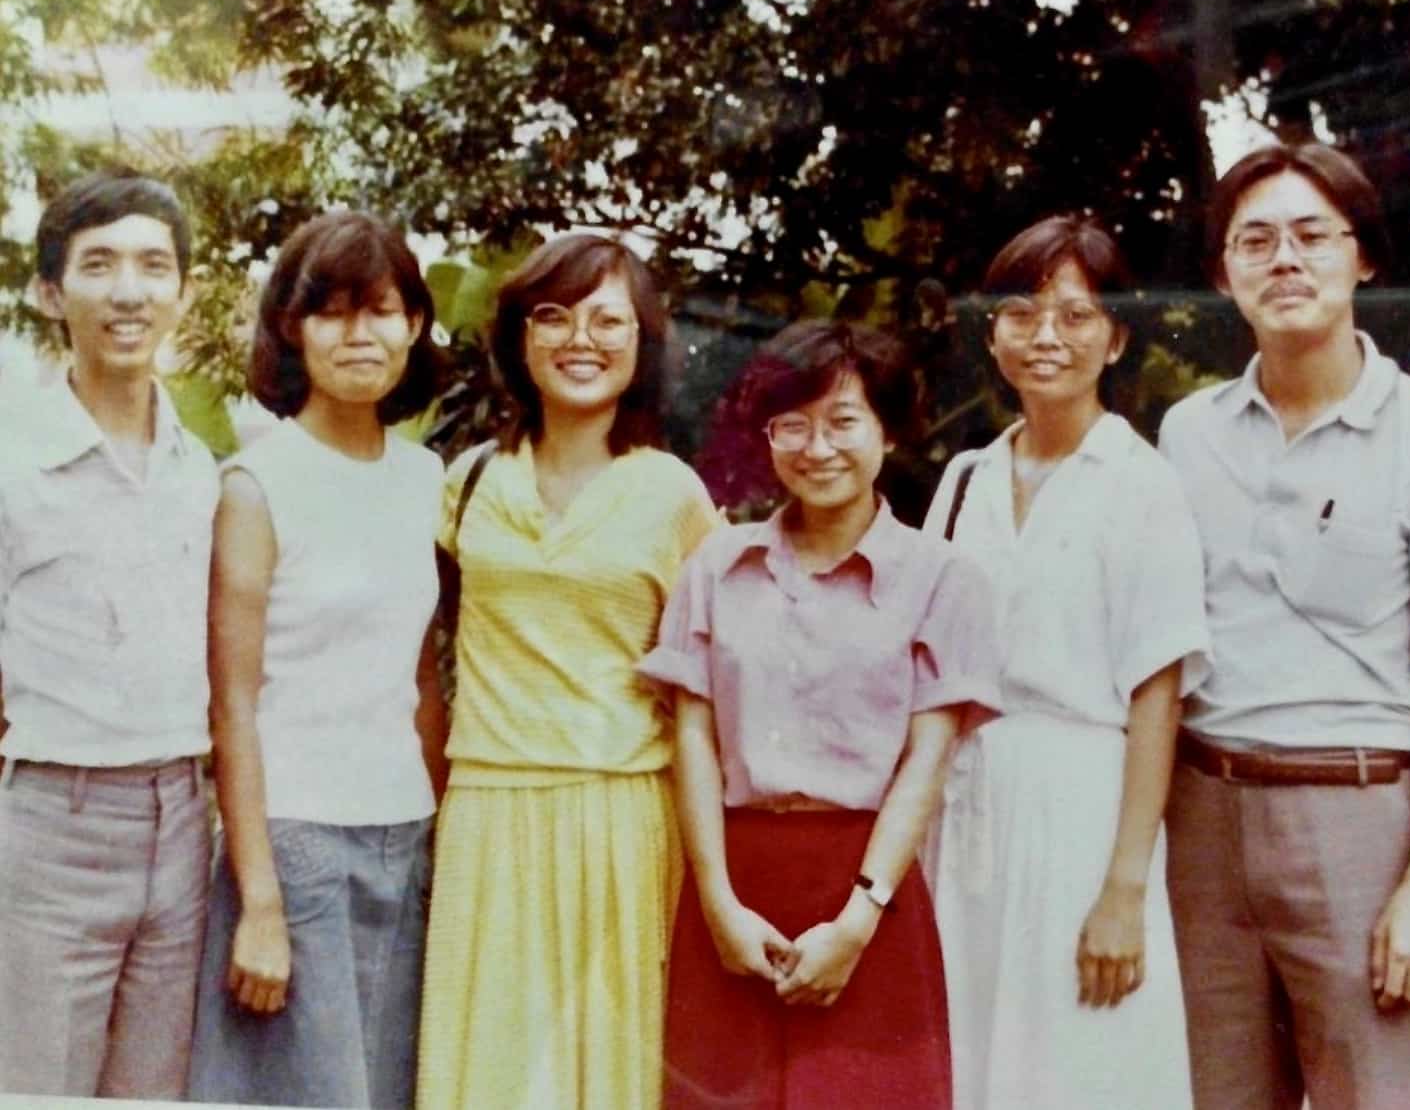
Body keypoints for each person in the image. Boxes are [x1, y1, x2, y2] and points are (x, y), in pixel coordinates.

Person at [1155, 143, 1410, 1108]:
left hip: (1359, 817)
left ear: (1364, 258)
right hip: (1204, 817)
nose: (1285, 261)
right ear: (1225, 274)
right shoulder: (1188, 433)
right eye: (1255, 241)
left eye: (1313, 235)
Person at [640, 319, 999, 1110]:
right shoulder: (716, 568)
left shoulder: (942, 579)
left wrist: (858, 921)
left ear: (886, 429)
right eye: (791, 424)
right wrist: (719, 903)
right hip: (732, 888)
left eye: (843, 421)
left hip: (869, 893)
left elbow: (926, 764)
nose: (817, 447)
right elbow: (693, 741)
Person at [416, 233, 717, 1110]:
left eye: (607, 320)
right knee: (489, 1071)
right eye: (554, 316)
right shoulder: (466, 482)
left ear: (642, 343)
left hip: (620, 812)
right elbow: (423, 657)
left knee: (611, 1073)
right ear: (518, 339)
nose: (580, 339)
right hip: (488, 812)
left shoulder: (676, 496)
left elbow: (716, 688)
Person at [925, 216, 1208, 1110]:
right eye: (1022, 311)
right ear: (992, 330)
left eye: (1077, 315)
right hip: (964, 813)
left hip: (1084, 813)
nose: (1047, 336)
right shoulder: (964, 478)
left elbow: (1157, 698)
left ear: (1116, 336)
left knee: (1080, 1065)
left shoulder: (1142, 482)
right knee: (968, 1060)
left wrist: (1124, 888)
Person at [187, 210, 446, 1108]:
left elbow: (420, 678)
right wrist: (260, 900)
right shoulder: (258, 485)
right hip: (296, 843)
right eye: (331, 312)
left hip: (406, 836)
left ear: (415, 323)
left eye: (380, 310)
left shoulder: (427, 482)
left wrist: (440, 826)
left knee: (390, 1091)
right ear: (293, 328)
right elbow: (234, 705)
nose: (360, 335)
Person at [0, 172, 215, 1098]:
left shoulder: (201, 466)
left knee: (150, 1097)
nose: (129, 291)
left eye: (152, 266)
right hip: (54, 825)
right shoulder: (13, 458)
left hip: (182, 825)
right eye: (98, 265)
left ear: (183, 292)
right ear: (52, 293)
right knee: (40, 1093)